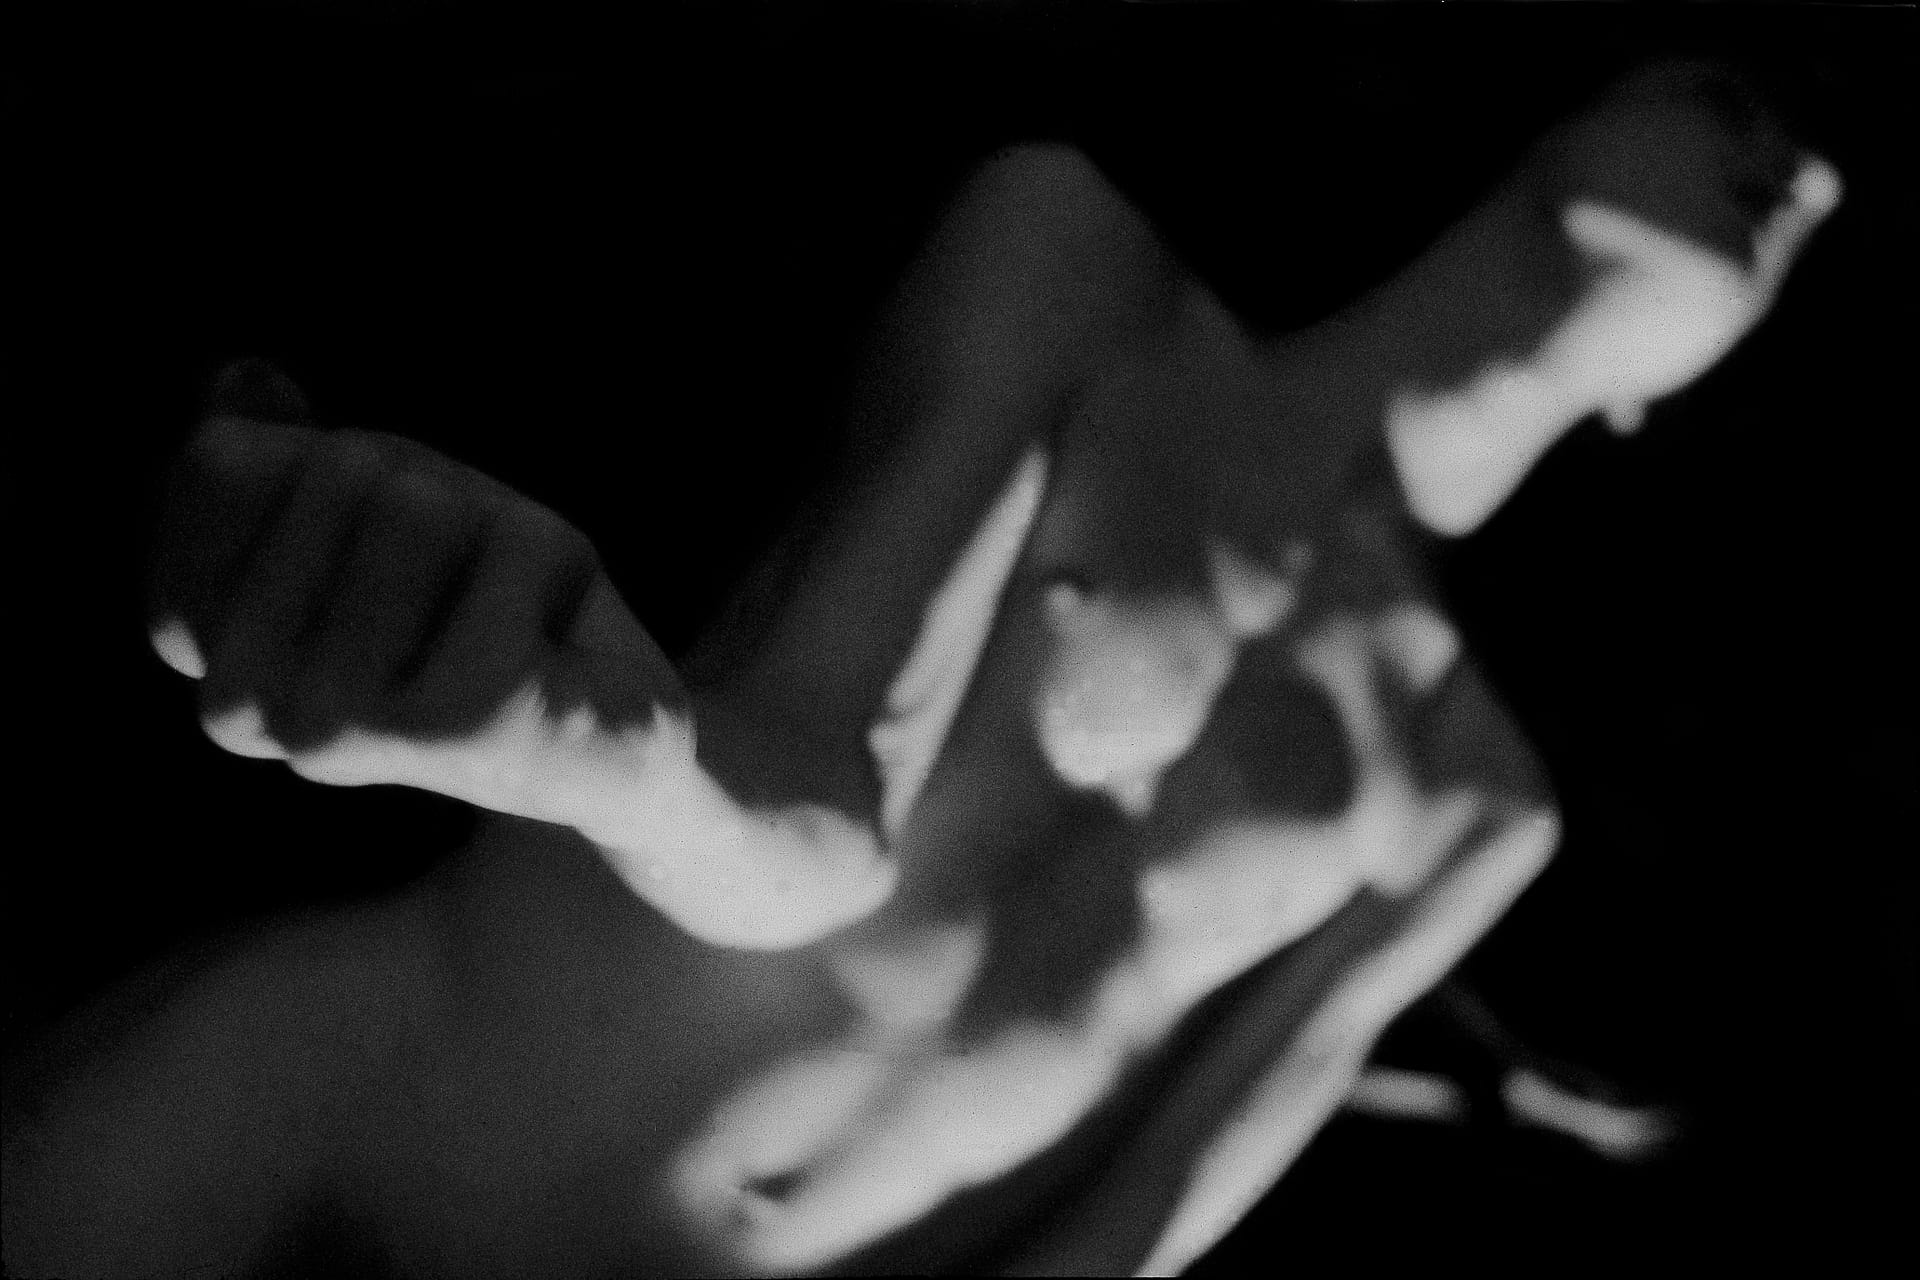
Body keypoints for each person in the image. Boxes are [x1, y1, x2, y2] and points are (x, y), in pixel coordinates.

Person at [2, 56, 1839, 1279]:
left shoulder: (1475, 799)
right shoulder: (1088, 275)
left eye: (1816, 223)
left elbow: (1147, 1220)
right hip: (349, 1109)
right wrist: (614, 761)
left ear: (1667, 399)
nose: (1811, 176)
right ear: (1567, 118)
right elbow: (813, 777)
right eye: (1741, 97)